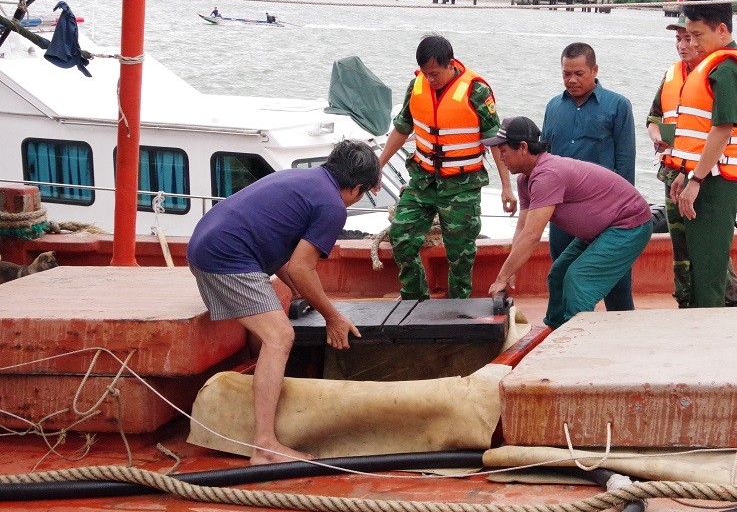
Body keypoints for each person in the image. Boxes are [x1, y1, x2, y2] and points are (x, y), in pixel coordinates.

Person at [187, 140, 380, 465]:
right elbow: (302, 268)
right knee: (280, 337)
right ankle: (264, 445)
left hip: (205, 242)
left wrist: (306, 295)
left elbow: (281, 250)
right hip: (224, 257)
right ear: (356, 188)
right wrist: (332, 316)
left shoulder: (306, 180)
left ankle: (264, 430)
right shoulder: (333, 206)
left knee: (279, 323)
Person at [378, 34, 517, 301]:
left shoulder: (477, 91)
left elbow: (496, 142)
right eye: (426, 74)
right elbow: (401, 128)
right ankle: (414, 300)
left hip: (461, 186)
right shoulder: (416, 86)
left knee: (460, 256)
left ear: (450, 63)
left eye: (435, 73)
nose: (430, 79)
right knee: (401, 237)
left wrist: (507, 188)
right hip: (422, 181)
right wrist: (379, 165)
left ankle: (457, 309)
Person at [485, 116, 653, 329]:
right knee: (558, 274)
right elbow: (523, 228)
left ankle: (576, 340)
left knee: (578, 280)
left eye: (503, 150)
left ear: (523, 147)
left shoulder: (547, 175)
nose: (500, 157)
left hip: (629, 224)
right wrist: (510, 270)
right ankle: (555, 330)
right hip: (602, 228)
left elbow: (532, 236)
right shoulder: (525, 179)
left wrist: (501, 277)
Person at [666, 0, 737, 308]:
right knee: (700, 268)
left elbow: (722, 130)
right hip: (706, 178)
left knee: (709, 277)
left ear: (721, 30)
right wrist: (683, 173)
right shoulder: (714, 64)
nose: (691, 43)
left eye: (697, 36)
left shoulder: (728, 68)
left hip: (717, 184)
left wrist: (695, 181)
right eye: (687, 36)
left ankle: (710, 348)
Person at [647, 15, 737, 308]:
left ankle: (729, 298)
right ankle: (687, 299)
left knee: (708, 246)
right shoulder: (672, 76)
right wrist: (656, 135)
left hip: (706, 176)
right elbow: (653, 116)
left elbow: (721, 129)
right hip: (674, 174)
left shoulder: (718, 72)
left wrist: (697, 178)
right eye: (679, 39)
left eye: (690, 37)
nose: (684, 44)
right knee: (682, 245)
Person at [540, 42, 637, 311]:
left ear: (594, 70)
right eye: (565, 74)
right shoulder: (553, 107)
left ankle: (623, 334)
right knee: (562, 275)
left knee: (616, 284)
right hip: (562, 212)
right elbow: (544, 161)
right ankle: (565, 334)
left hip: (605, 214)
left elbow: (625, 163)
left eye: (579, 73)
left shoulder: (618, 106)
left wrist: (621, 216)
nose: (571, 80)